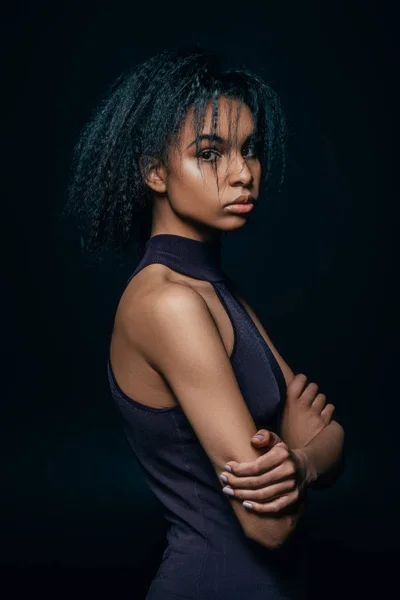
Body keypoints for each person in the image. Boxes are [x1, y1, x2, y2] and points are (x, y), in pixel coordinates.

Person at [63, 44, 345, 599]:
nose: (244, 174)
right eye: (211, 153)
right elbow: (270, 523)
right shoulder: (167, 303)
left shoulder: (212, 288)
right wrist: (302, 451)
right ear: (154, 172)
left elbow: (331, 440)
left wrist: (303, 463)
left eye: (250, 150)